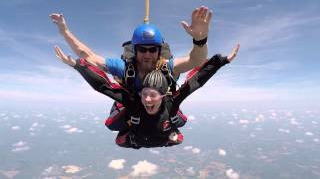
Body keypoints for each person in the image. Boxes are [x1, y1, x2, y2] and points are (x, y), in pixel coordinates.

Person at [50, 6, 212, 131]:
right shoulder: (125, 68)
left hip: (161, 105)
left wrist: (200, 39)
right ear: (134, 50)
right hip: (133, 104)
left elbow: (195, 60)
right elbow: (88, 55)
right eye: (142, 49)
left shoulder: (166, 67)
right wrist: (65, 31)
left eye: (152, 49)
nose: (147, 54)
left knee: (180, 122)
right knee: (113, 124)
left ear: (158, 50)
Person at [54, 44, 240, 149]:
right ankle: (164, 135)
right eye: (144, 94)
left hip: (160, 135)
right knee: (113, 129)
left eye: (153, 95)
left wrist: (220, 61)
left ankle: (169, 134)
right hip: (138, 137)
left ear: (162, 95)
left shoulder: (171, 103)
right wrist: (78, 65)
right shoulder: (135, 103)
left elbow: (195, 82)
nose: (147, 100)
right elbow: (103, 86)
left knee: (179, 128)